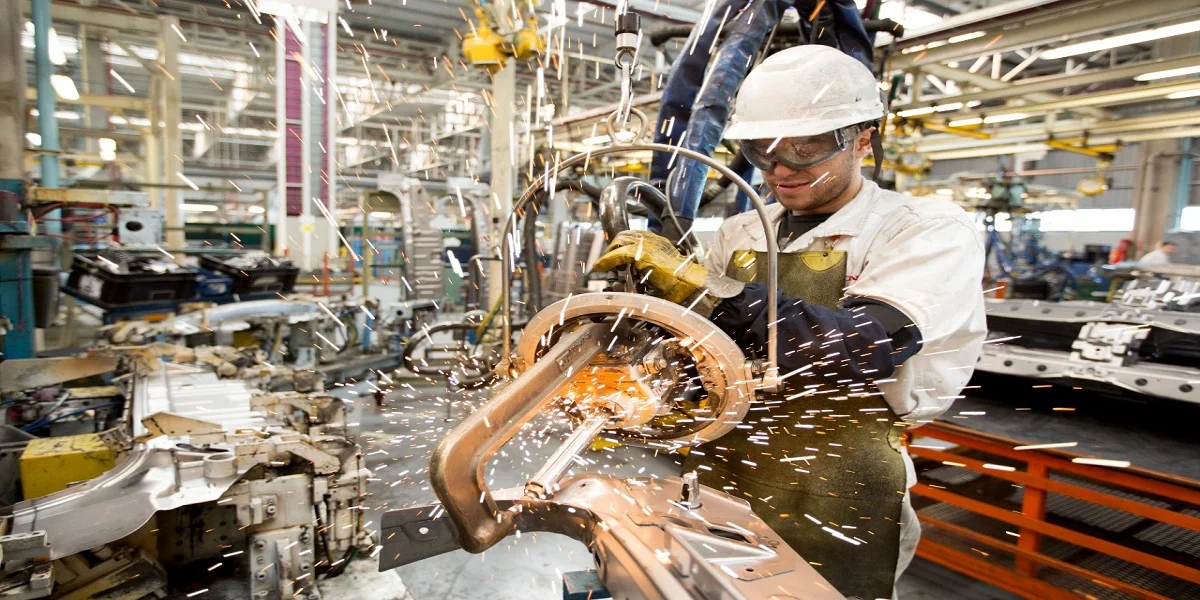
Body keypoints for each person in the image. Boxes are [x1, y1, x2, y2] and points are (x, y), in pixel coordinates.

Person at [592, 45, 987, 599]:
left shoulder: (923, 229)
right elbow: (705, 345)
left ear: (864, 137)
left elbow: (860, 344)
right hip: (726, 461)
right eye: (763, 149)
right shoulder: (742, 232)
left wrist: (705, 287)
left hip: (839, 479)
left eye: (806, 148)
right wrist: (641, 383)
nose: (780, 168)